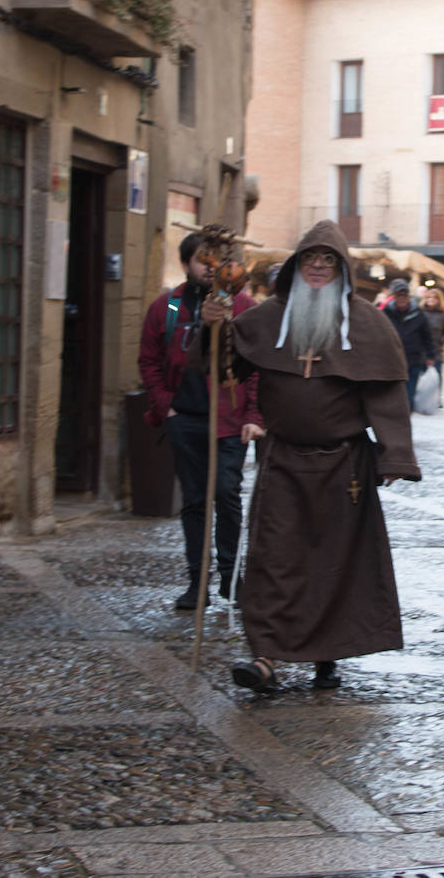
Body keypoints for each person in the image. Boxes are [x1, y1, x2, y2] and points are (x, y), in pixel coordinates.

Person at [198, 220, 421, 693]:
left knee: (337, 565)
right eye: (309, 260)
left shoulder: (367, 323)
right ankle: (265, 659)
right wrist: (211, 328)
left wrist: (395, 455)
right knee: (274, 560)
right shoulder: (264, 319)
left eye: (327, 261)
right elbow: (224, 370)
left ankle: (327, 657)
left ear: (341, 270)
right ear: (296, 268)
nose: (317, 268)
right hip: (282, 461)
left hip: (345, 469)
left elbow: (386, 395)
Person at [138, 232, 264, 610]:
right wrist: (166, 406)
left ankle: (231, 576)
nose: (210, 270)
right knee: (194, 501)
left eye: (217, 262)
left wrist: (254, 415)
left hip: (230, 420)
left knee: (226, 493)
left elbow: (256, 364)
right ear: (187, 264)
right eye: (201, 261)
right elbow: (150, 359)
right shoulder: (171, 307)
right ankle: (198, 582)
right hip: (187, 418)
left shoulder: (243, 306)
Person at [383, 278, 436, 407]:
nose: (401, 298)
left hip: (413, 361)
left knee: (409, 396)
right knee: (393, 396)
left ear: (409, 296)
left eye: (404, 295)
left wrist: (431, 356)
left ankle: (406, 419)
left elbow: (427, 337)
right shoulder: (385, 314)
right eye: (398, 295)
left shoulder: (418, 314)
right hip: (392, 361)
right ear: (394, 297)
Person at [420, 286, 444, 407]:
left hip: (436, 350)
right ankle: (423, 399)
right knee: (423, 376)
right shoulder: (421, 312)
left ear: (439, 300)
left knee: (437, 376)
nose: (431, 299)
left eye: (434, 297)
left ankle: (437, 399)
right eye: (429, 297)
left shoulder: (443, 314)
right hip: (422, 350)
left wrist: (441, 340)